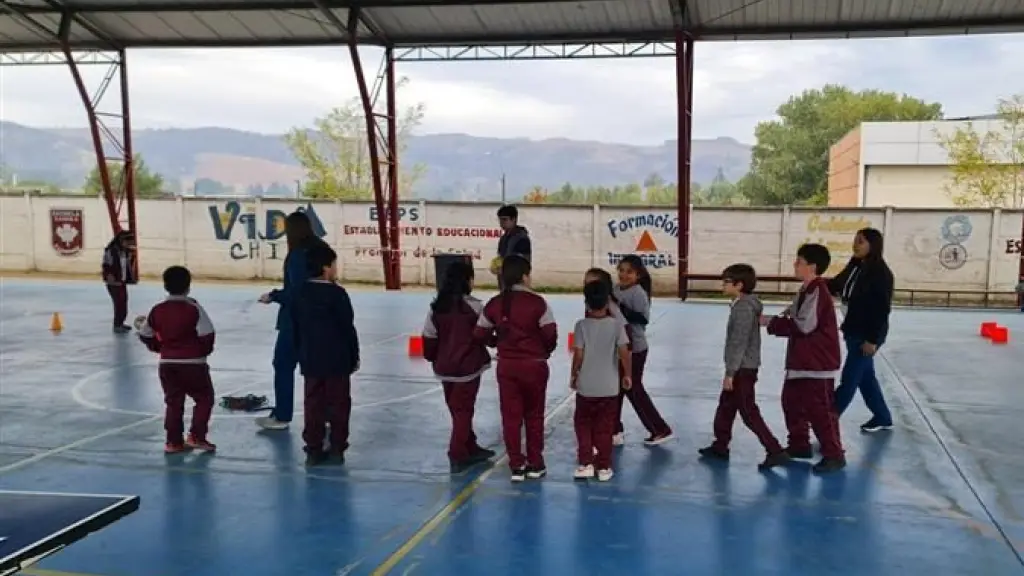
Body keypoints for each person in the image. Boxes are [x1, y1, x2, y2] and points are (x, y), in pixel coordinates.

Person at [474, 255, 557, 483]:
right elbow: (550, 334)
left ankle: (516, 464)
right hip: (535, 366)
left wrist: (497, 343)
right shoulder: (539, 303)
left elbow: (479, 334)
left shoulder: (494, 303)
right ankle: (535, 463)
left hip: (508, 366)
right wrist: (543, 351)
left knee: (511, 417)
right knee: (534, 415)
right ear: (524, 275)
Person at [764, 243, 845, 473]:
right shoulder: (806, 289)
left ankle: (834, 453)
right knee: (791, 402)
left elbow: (804, 325)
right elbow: (794, 315)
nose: (795, 264)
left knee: (820, 411)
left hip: (816, 363)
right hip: (802, 362)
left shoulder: (817, 291)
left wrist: (770, 322)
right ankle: (799, 444)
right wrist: (775, 319)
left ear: (812, 266)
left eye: (799, 261)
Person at [698, 264, 789, 470]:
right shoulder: (744, 304)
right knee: (726, 406)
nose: (723, 285)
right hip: (743, 366)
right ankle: (720, 445)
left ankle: (774, 450)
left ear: (739, 285)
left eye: (727, 282)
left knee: (748, 411)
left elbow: (738, 343)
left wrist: (730, 373)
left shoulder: (742, 309)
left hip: (742, 369)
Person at [255, 211, 328, 431]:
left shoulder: (297, 254)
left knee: (283, 364)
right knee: (318, 369)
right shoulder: (322, 249)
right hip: (321, 319)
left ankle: (282, 415)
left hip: (295, 320)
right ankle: (324, 414)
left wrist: (274, 296)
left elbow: (297, 292)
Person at [422, 260, 496, 473]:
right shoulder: (475, 307)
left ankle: (469, 445)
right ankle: (458, 453)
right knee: (464, 411)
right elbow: (485, 335)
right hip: (468, 369)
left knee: (457, 410)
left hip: (445, 369)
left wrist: (434, 358)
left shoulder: (436, 308)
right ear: (468, 281)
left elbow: (429, 337)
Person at [135, 266, 217, 454]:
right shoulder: (193, 307)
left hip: (167, 364)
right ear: (188, 286)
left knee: (173, 402)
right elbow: (208, 334)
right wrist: (202, 352)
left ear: (165, 286)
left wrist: (159, 348)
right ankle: (196, 436)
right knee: (204, 398)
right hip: (194, 363)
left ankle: (173, 442)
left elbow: (146, 334)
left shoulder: (157, 310)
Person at [291, 243, 360, 466]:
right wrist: (354, 355)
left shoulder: (300, 293)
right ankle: (337, 447)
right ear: (325, 267)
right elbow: (347, 327)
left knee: (313, 404)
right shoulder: (337, 294)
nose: (335, 269)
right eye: (334, 265)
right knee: (338, 404)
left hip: (311, 358)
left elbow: (295, 326)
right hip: (337, 359)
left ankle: (313, 448)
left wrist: (300, 352)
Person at [828, 227, 896, 433]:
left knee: (849, 380)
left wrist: (872, 340)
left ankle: (828, 422)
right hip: (852, 328)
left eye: (861, 241)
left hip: (867, 334)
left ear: (873, 245)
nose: (856, 245)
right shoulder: (855, 266)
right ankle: (882, 416)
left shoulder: (881, 274)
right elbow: (835, 285)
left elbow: (882, 310)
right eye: (855, 240)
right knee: (866, 378)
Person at [570, 281, 632, 482]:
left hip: (586, 387)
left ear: (586, 302)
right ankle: (604, 467)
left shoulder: (580, 325)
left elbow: (578, 354)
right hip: (609, 388)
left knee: (583, 424)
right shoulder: (616, 325)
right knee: (605, 428)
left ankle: (586, 463)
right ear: (608, 303)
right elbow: (624, 353)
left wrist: (574, 374)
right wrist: (627, 375)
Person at [613, 255, 673, 446]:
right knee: (616, 389)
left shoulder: (638, 293)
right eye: (621, 270)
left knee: (632, 388)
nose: (624, 274)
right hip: (618, 347)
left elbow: (643, 319)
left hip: (635, 348)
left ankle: (660, 428)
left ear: (638, 275)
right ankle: (614, 429)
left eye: (629, 271)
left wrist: (620, 307)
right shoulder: (615, 290)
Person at [490, 205, 532, 288]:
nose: (501, 223)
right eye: (500, 220)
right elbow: (500, 257)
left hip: (517, 281)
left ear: (514, 219)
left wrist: (504, 268)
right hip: (504, 280)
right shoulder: (504, 238)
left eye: (504, 219)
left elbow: (521, 263)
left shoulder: (521, 238)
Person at [102, 231, 135, 333]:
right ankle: (117, 325)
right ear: (122, 241)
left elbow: (126, 266)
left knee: (124, 303)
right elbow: (106, 265)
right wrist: (109, 276)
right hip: (114, 283)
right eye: (127, 242)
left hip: (122, 282)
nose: (129, 244)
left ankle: (121, 323)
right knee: (119, 304)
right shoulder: (110, 251)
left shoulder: (125, 252)